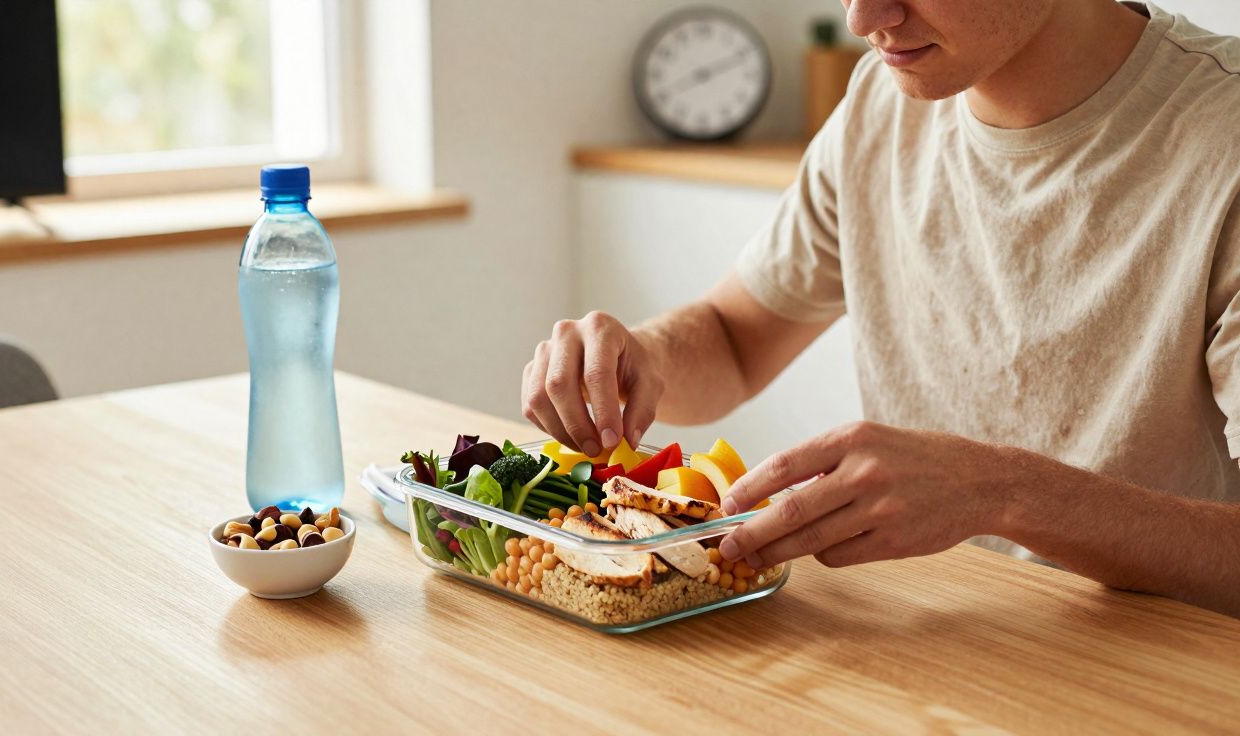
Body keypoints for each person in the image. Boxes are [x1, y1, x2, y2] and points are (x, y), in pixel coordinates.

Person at [520, 0, 1240, 616]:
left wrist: (1002, 493)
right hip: (925, 650)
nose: (863, 19)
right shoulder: (881, 99)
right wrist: (638, 358)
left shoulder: (1221, 136)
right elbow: (735, 343)